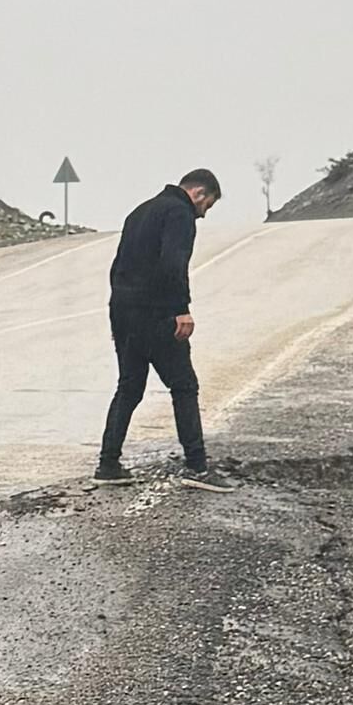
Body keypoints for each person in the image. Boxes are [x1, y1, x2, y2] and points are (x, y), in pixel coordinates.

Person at [97, 166, 222, 479]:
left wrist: (119, 322)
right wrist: (181, 308)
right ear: (199, 194)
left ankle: (108, 464)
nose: (204, 215)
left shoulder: (139, 212)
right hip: (157, 314)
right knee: (184, 386)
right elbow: (173, 263)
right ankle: (197, 467)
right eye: (208, 206)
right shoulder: (179, 214)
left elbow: (117, 268)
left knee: (129, 388)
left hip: (124, 312)